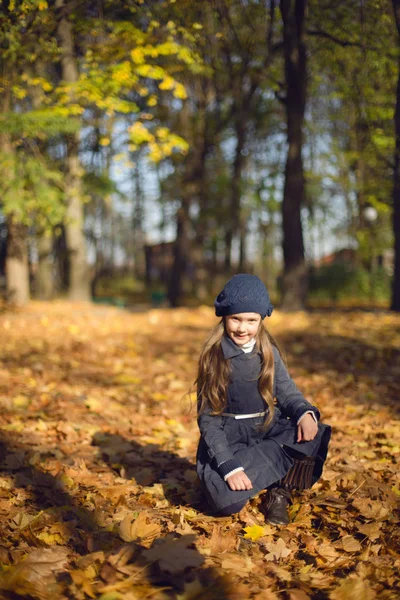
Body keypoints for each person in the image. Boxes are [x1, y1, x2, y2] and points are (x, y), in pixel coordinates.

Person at [196, 274, 331, 525]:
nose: (242, 327)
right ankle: (246, 473)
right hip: (230, 437)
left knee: (312, 433)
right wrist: (229, 466)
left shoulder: (268, 351)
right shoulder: (214, 358)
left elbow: (287, 390)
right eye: (235, 318)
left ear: (261, 320)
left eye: (251, 320)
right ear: (224, 316)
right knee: (228, 503)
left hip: (266, 427)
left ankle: (279, 491)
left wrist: (303, 413)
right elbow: (208, 420)